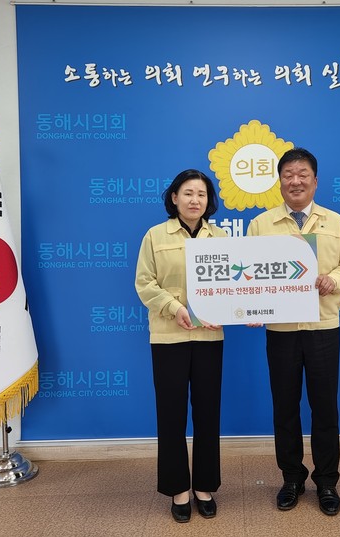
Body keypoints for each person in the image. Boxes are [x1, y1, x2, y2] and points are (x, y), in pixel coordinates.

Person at [246, 148, 340, 516]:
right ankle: (292, 478)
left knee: (325, 408)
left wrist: (334, 280)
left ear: (315, 180)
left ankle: (327, 481)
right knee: (285, 407)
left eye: (303, 174)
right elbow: (248, 275)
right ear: (279, 181)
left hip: (323, 327)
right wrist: (250, 306)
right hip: (280, 330)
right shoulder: (261, 224)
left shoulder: (336, 222)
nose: (295, 181)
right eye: (288, 175)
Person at [135, 169, 227, 523]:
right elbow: (145, 283)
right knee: (171, 415)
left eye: (201, 194)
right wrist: (175, 308)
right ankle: (178, 490)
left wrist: (233, 309)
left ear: (208, 201)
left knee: (207, 413)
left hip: (209, 337)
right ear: (174, 198)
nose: (194, 200)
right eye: (188, 193)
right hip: (168, 336)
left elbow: (232, 286)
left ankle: (204, 486)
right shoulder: (155, 236)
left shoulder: (220, 238)